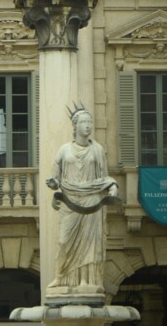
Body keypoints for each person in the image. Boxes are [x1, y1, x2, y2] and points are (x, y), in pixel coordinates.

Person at [46, 106, 118, 293]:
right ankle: (60, 278)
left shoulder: (97, 150)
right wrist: (53, 184)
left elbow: (104, 177)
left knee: (91, 243)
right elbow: (56, 178)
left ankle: (88, 281)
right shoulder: (64, 150)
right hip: (70, 201)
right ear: (75, 125)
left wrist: (113, 186)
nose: (88, 126)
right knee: (64, 241)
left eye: (90, 122)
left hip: (92, 201)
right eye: (84, 122)